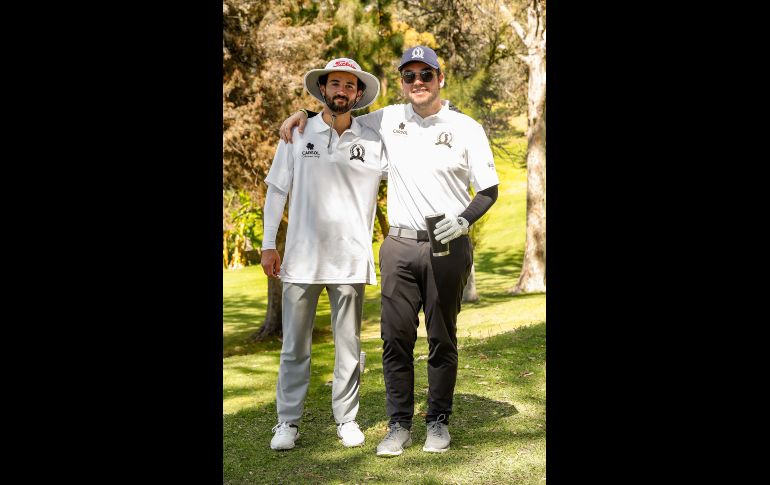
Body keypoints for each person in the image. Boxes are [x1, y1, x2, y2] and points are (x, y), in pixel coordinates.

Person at [279, 46, 499, 456]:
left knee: (441, 337)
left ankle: (437, 422)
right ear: (401, 82)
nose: (417, 83)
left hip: (446, 244)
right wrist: (303, 115)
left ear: (440, 79)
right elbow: (338, 114)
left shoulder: (466, 127)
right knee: (395, 339)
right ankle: (398, 425)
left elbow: (489, 189)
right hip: (398, 245)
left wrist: (465, 221)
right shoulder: (388, 119)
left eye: (425, 75)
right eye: (409, 76)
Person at [262, 57, 387, 451]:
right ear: (322, 89)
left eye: (350, 86)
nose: (342, 91)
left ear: (359, 94)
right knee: (294, 346)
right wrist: (268, 244)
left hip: (349, 261)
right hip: (300, 260)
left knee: (348, 345)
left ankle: (347, 420)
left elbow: (411, 119)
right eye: (335, 84)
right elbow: (276, 191)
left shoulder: (373, 138)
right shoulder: (297, 134)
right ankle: (286, 423)